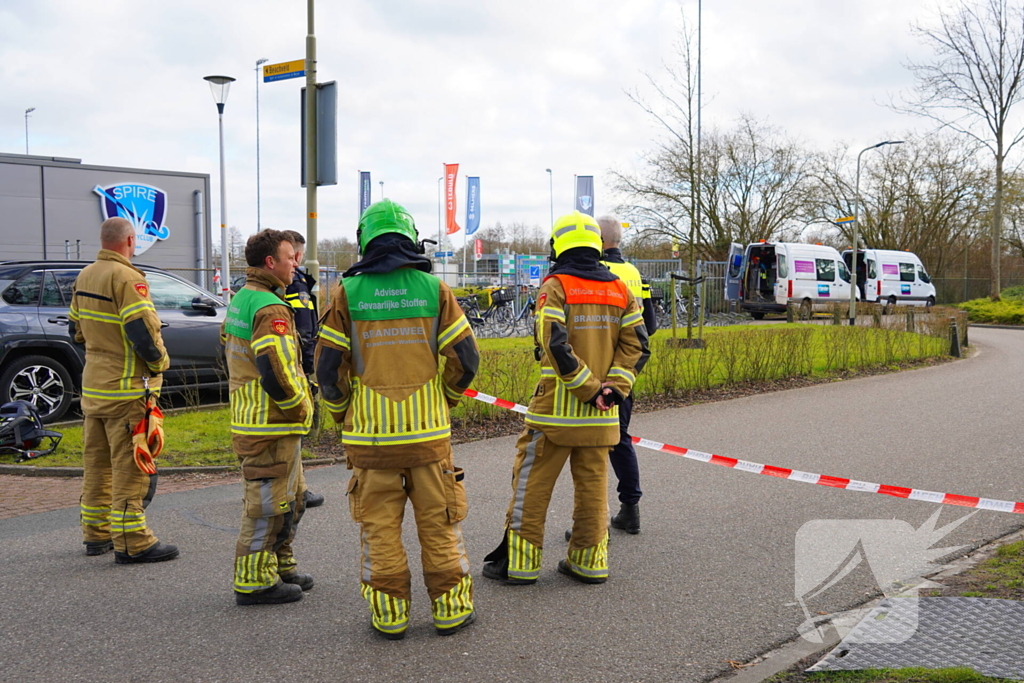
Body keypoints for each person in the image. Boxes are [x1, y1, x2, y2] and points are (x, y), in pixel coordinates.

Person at [316, 199, 479, 639]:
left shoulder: (346, 294)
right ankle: (450, 610)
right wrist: (443, 397)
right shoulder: (434, 289)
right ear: (410, 235)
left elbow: (328, 370)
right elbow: (465, 358)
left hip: (370, 442)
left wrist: (343, 414)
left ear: (364, 239)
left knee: (379, 531)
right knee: (440, 525)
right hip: (429, 439)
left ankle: (389, 617)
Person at [483, 211, 649, 586]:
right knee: (593, 491)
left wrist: (588, 389)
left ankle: (520, 567)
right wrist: (612, 390)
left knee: (532, 488)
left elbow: (553, 343)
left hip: (554, 417)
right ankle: (589, 564)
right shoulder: (620, 288)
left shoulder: (555, 285)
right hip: (603, 416)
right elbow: (637, 346)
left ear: (558, 245)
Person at [69, 217, 178, 563]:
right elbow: (142, 332)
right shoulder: (128, 278)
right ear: (131, 240)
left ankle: (96, 533)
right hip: (127, 390)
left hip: (95, 388)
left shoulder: (86, 274)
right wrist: (160, 363)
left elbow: (76, 328)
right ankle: (133, 541)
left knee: (98, 465)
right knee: (131, 466)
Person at [223, 230, 314, 606]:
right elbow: (274, 368)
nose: (296, 262)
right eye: (289, 257)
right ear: (269, 263)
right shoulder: (270, 308)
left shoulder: (242, 299)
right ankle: (254, 581)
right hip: (270, 422)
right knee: (267, 505)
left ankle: (281, 565)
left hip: (257, 418)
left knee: (291, 499)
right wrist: (301, 407)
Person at [596, 214, 658, 534]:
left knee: (591, 446)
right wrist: (629, 369)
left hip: (595, 372)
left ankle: (593, 526)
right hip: (626, 371)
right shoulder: (634, 272)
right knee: (620, 440)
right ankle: (629, 510)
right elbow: (650, 327)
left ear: (599, 239)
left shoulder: (596, 271)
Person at [281, 230, 324, 510]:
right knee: (297, 428)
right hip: (297, 362)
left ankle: (297, 487)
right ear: (297, 255)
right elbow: (305, 328)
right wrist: (311, 367)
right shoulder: (297, 286)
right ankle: (295, 489)